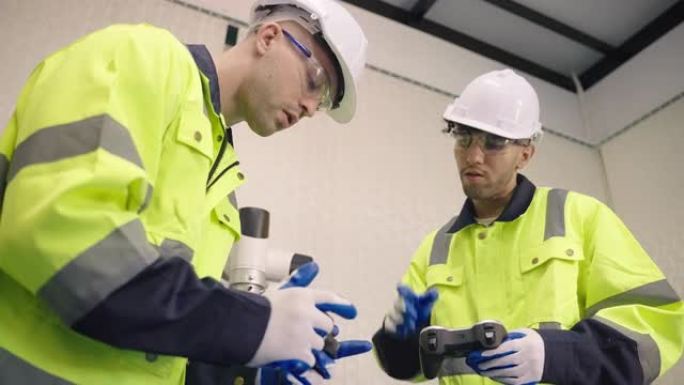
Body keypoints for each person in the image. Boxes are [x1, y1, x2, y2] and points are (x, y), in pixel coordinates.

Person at [0, 0, 370, 384]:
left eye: (324, 101)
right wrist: (251, 324)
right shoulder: (142, 58)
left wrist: (249, 369)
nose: (312, 107)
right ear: (270, 36)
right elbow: (64, 238)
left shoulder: (224, 195)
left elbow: (158, 344)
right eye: (315, 80)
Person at [372, 69, 684, 385]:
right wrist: (396, 338)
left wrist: (558, 356)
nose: (474, 156)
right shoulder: (436, 248)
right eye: (464, 137)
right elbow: (407, 368)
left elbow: (656, 322)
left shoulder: (580, 216)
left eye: (494, 142)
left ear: (526, 153)